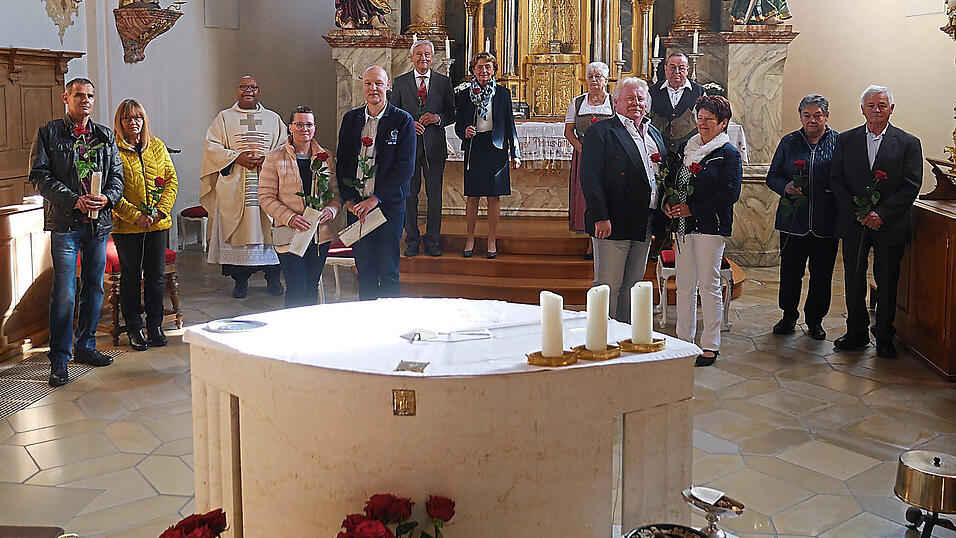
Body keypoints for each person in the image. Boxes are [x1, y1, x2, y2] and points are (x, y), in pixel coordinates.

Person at [29, 78, 124, 387]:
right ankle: (59, 359)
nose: (86, 100)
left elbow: (117, 177)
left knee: (94, 288)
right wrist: (74, 200)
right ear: (65, 98)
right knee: (65, 292)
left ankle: (86, 345)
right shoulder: (49, 132)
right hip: (65, 224)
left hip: (98, 224)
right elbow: (39, 176)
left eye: (90, 96)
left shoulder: (104, 135)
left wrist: (108, 197)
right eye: (79, 95)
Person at [829, 85, 922, 358]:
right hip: (854, 224)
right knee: (854, 279)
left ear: (892, 109)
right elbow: (836, 179)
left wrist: (882, 214)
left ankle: (883, 335)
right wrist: (857, 213)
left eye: (882, 105)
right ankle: (856, 332)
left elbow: (911, 184)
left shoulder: (908, 142)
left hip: (889, 225)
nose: (876, 110)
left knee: (887, 280)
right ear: (862, 109)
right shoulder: (846, 140)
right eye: (871, 105)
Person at [663, 95, 742, 367]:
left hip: (711, 227)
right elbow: (674, 182)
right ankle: (684, 341)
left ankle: (710, 345)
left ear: (723, 123)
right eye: (700, 117)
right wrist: (669, 203)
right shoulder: (687, 148)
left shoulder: (728, 153)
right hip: (683, 227)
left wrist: (692, 210)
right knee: (685, 284)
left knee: (708, 285)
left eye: (710, 119)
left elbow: (730, 194)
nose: (703, 123)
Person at [579, 77, 666, 323]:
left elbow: (660, 173)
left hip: (644, 218)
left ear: (647, 103)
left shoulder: (653, 133)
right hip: (613, 219)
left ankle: (625, 334)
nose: (635, 103)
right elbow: (590, 177)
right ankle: (601, 336)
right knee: (608, 284)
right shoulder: (601, 131)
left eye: (640, 98)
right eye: (629, 98)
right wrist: (600, 216)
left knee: (632, 284)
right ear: (615, 101)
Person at [200, 75, 286, 299]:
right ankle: (240, 282)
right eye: (243, 87)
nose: (248, 90)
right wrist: (237, 157)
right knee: (240, 233)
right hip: (235, 185)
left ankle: (273, 278)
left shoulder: (273, 118)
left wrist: (268, 159)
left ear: (259, 91)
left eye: (253, 87)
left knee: (270, 231)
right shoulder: (224, 118)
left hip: (268, 183)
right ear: (237, 91)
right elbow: (211, 148)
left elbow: (284, 146)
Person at [336, 66, 415, 299]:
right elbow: (343, 163)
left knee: (388, 271)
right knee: (365, 272)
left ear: (388, 86)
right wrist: (349, 200)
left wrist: (376, 198)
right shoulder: (351, 119)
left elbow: (405, 169)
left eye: (378, 83)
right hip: (358, 209)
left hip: (388, 207)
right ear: (362, 86)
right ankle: (367, 318)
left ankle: (390, 319)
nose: (373, 88)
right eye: (368, 83)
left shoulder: (402, 120)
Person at [766, 94, 838, 341]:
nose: (812, 120)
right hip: (792, 221)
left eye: (817, 115)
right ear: (800, 116)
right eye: (806, 115)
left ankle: (815, 320)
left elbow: (845, 177)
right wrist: (785, 187)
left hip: (826, 222)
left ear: (826, 116)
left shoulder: (839, 142)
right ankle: (788, 316)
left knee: (821, 275)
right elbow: (772, 176)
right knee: (790, 272)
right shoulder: (789, 142)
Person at [112, 99, 178, 351]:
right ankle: (134, 327)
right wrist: (134, 216)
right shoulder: (113, 150)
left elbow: (171, 180)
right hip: (128, 227)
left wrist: (160, 211)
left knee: (156, 277)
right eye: (128, 118)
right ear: (120, 122)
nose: (134, 122)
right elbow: (111, 191)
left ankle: (154, 325)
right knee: (131, 278)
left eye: (138, 117)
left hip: (156, 224)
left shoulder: (157, 146)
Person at [259, 106, 341, 308]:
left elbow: (335, 194)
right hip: (290, 233)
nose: (305, 129)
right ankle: (292, 326)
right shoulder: (274, 158)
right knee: (297, 287)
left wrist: (331, 211)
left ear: (315, 128)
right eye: (299, 124)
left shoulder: (326, 157)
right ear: (290, 127)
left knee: (311, 287)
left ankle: (309, 326)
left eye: (309, 125)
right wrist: (291, 217)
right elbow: (265, 197)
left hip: (319, 234)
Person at [390, 39, 456, 258]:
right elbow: (393, 113)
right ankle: (411, 240)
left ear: (433, 58)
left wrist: (437, 118)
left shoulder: (443, 82)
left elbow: (451, 113)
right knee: (410, 196)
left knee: (434, 196)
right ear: (411, 58)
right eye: (419, 54)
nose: (423, 58)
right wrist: (408, 124)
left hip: (434, 147)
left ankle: (432, 242)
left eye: (427, 54)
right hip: (408, 148)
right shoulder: (401, 82)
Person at [454, 52, 521, 259]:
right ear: (473, 70)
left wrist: (515, 153)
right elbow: (458, 124)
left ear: (493, 70)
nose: (483, 71)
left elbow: (509, 124)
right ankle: (470, 238)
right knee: (473, 195)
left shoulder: (502, 93)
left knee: (494, 196)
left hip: (496, 147)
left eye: (488, 67)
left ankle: (492, 240)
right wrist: (464, 131)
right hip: (475, 147)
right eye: (479, 67)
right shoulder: (464, 94)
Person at [564, 61, 614, 260]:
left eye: (598, 76)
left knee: (608, 195)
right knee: (587, 196)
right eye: (591, 76)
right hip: (584, 155)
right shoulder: (577, 103)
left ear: (606, 80)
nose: (594, 80)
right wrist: (584, 150)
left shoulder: (614, 102)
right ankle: (590, 241)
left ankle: (606, 238)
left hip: (610, 156)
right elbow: (569, 132)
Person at [648, 53, 706, 154]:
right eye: (672, 67)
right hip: (658, 150)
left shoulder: (700, 92)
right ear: (665, 69)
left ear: (688, 70)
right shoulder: (653, 91)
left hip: (689, 151)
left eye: (681, 68)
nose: (677, 72)